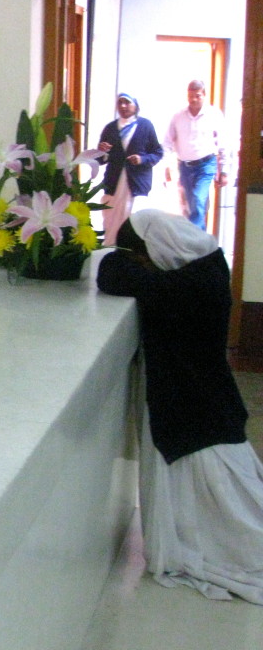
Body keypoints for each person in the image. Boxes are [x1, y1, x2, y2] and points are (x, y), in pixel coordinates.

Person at [97, 209, 263, 604]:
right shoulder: (202, 262)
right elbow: (117, 268)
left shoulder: (190, 285)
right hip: (201, 403)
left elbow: (114, 274)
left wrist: (132, 264)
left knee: (229, 507)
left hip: (195, 410)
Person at [96, 93, 163, 245]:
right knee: (111, 218)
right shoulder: (110, 128)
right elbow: (99, 159)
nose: (123, 106)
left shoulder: (146, 126)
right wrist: (101, 151)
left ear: (136, 105)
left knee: (134, 220)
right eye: (120, 103)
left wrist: (142, 159)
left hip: (137, 183)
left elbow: (157, 153)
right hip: (114, 183)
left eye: (127, 102)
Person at [163, 79, 230, 231]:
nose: (193, 99)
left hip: (206, 165)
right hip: (185, 167)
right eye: (190, 96)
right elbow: (167, 143)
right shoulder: (178, 116)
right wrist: (166, 166)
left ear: (204, 95)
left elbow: (223, 143)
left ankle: (194, 242)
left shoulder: (214, 114)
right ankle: (200, 241)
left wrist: (224, 170)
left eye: (197, 96)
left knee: (198, 201)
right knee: (189, 206)